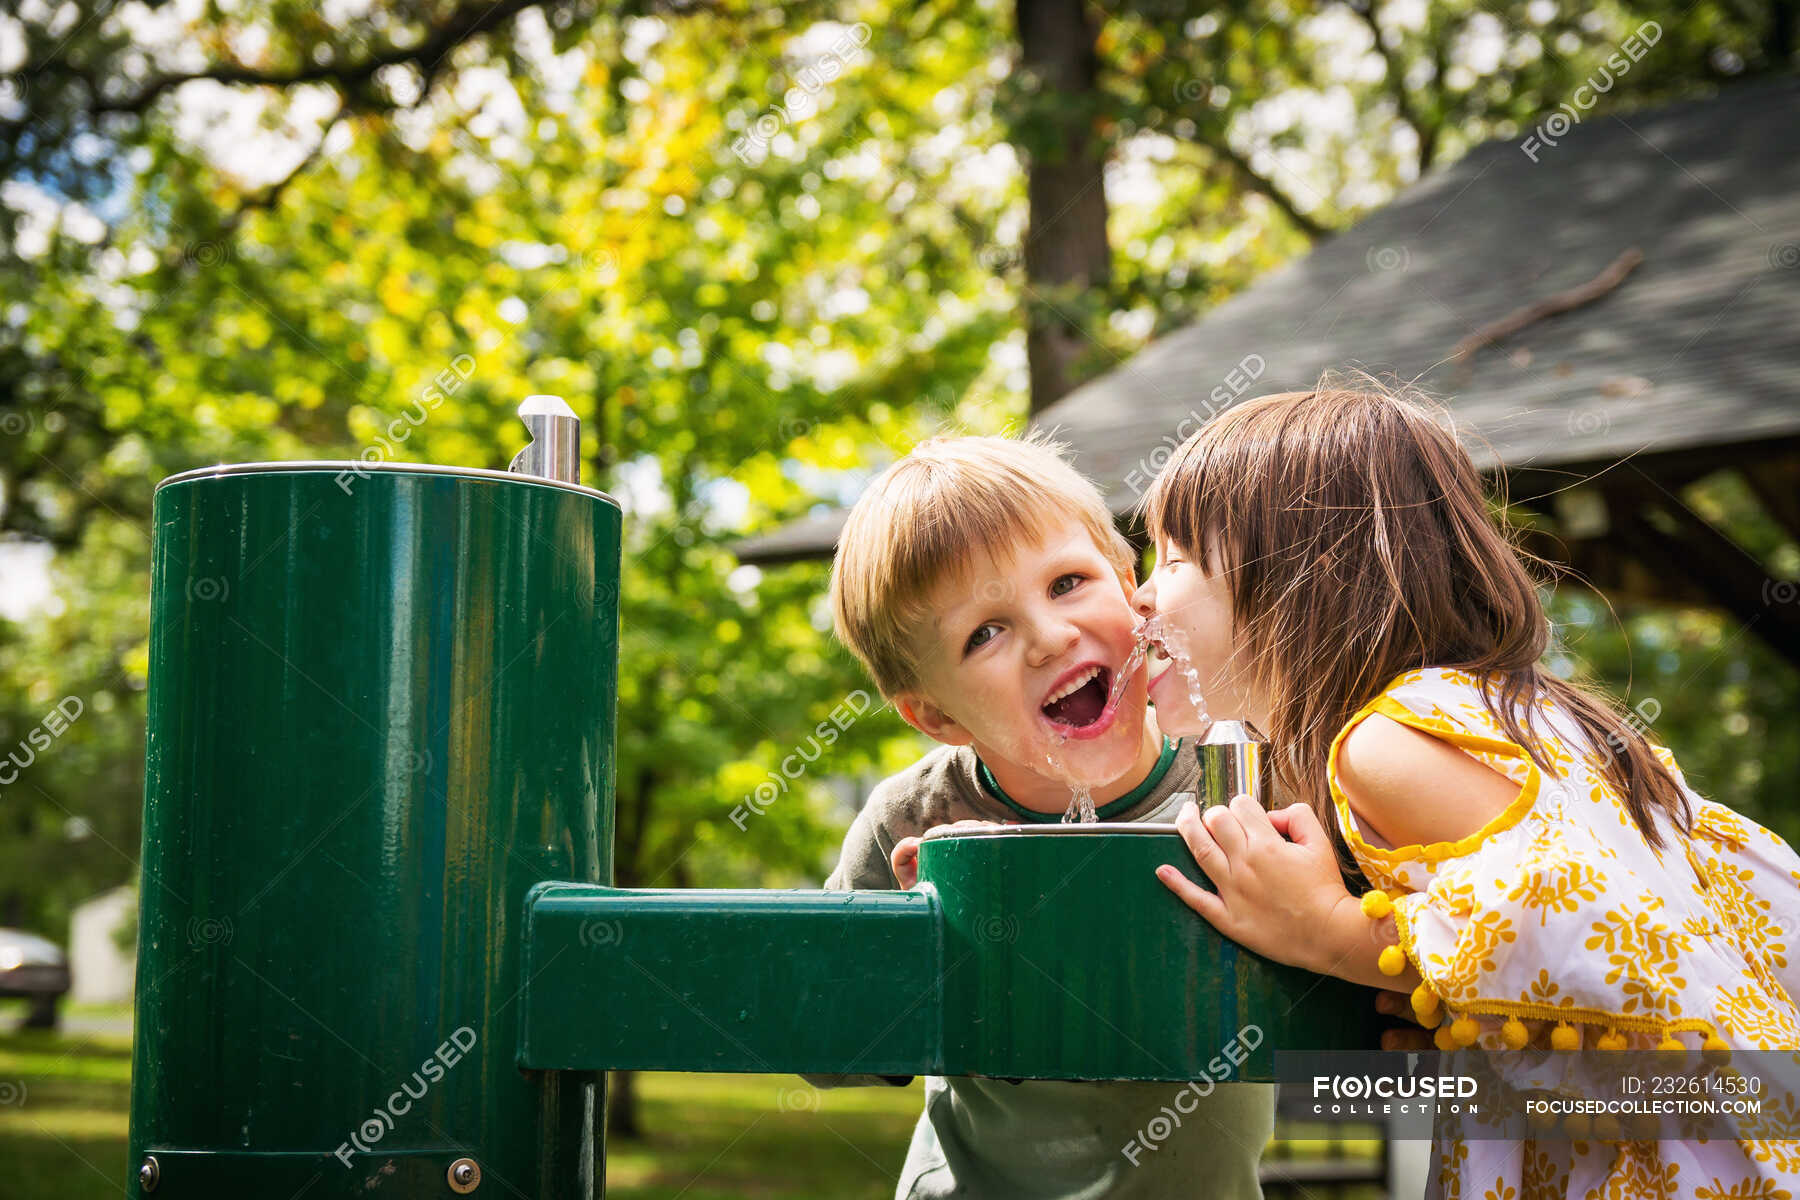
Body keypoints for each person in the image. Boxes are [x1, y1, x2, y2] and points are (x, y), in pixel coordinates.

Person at [1130, 377, 1800, 1196]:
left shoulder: (1383, 743)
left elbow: (1579, 916)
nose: (1141, 593)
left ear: (1302, 577)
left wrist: (1335, 934)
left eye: (1174, 558)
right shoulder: (1512, 713)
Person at [819, 432, 1274, 1199]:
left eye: (1067, 582)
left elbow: (1365, 1001)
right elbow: (827, 1049)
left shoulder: (1244, 774)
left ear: (1132, 585)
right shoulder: (916, 818)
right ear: (935, 714)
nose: (1049, 637)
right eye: (984, 633)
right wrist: (926, 942)